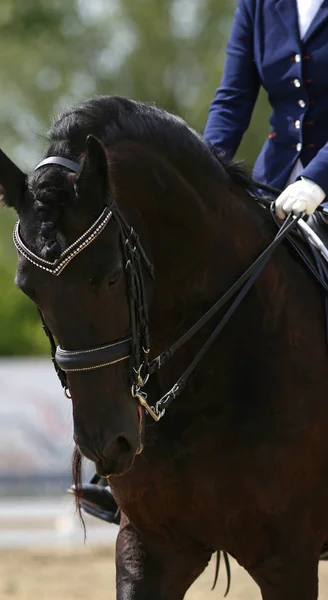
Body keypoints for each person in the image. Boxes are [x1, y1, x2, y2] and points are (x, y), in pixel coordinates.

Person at [77, 0, 328, 523]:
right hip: (273, 184)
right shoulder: (261, 4)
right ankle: (133, 468)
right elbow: (235, 97)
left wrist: (320, 178)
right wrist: (202, 183)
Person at [204, 0, 328, 220]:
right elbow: (232, 101)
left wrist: (318, 180)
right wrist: (202, 167)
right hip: (272, 184)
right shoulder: (256, 5)